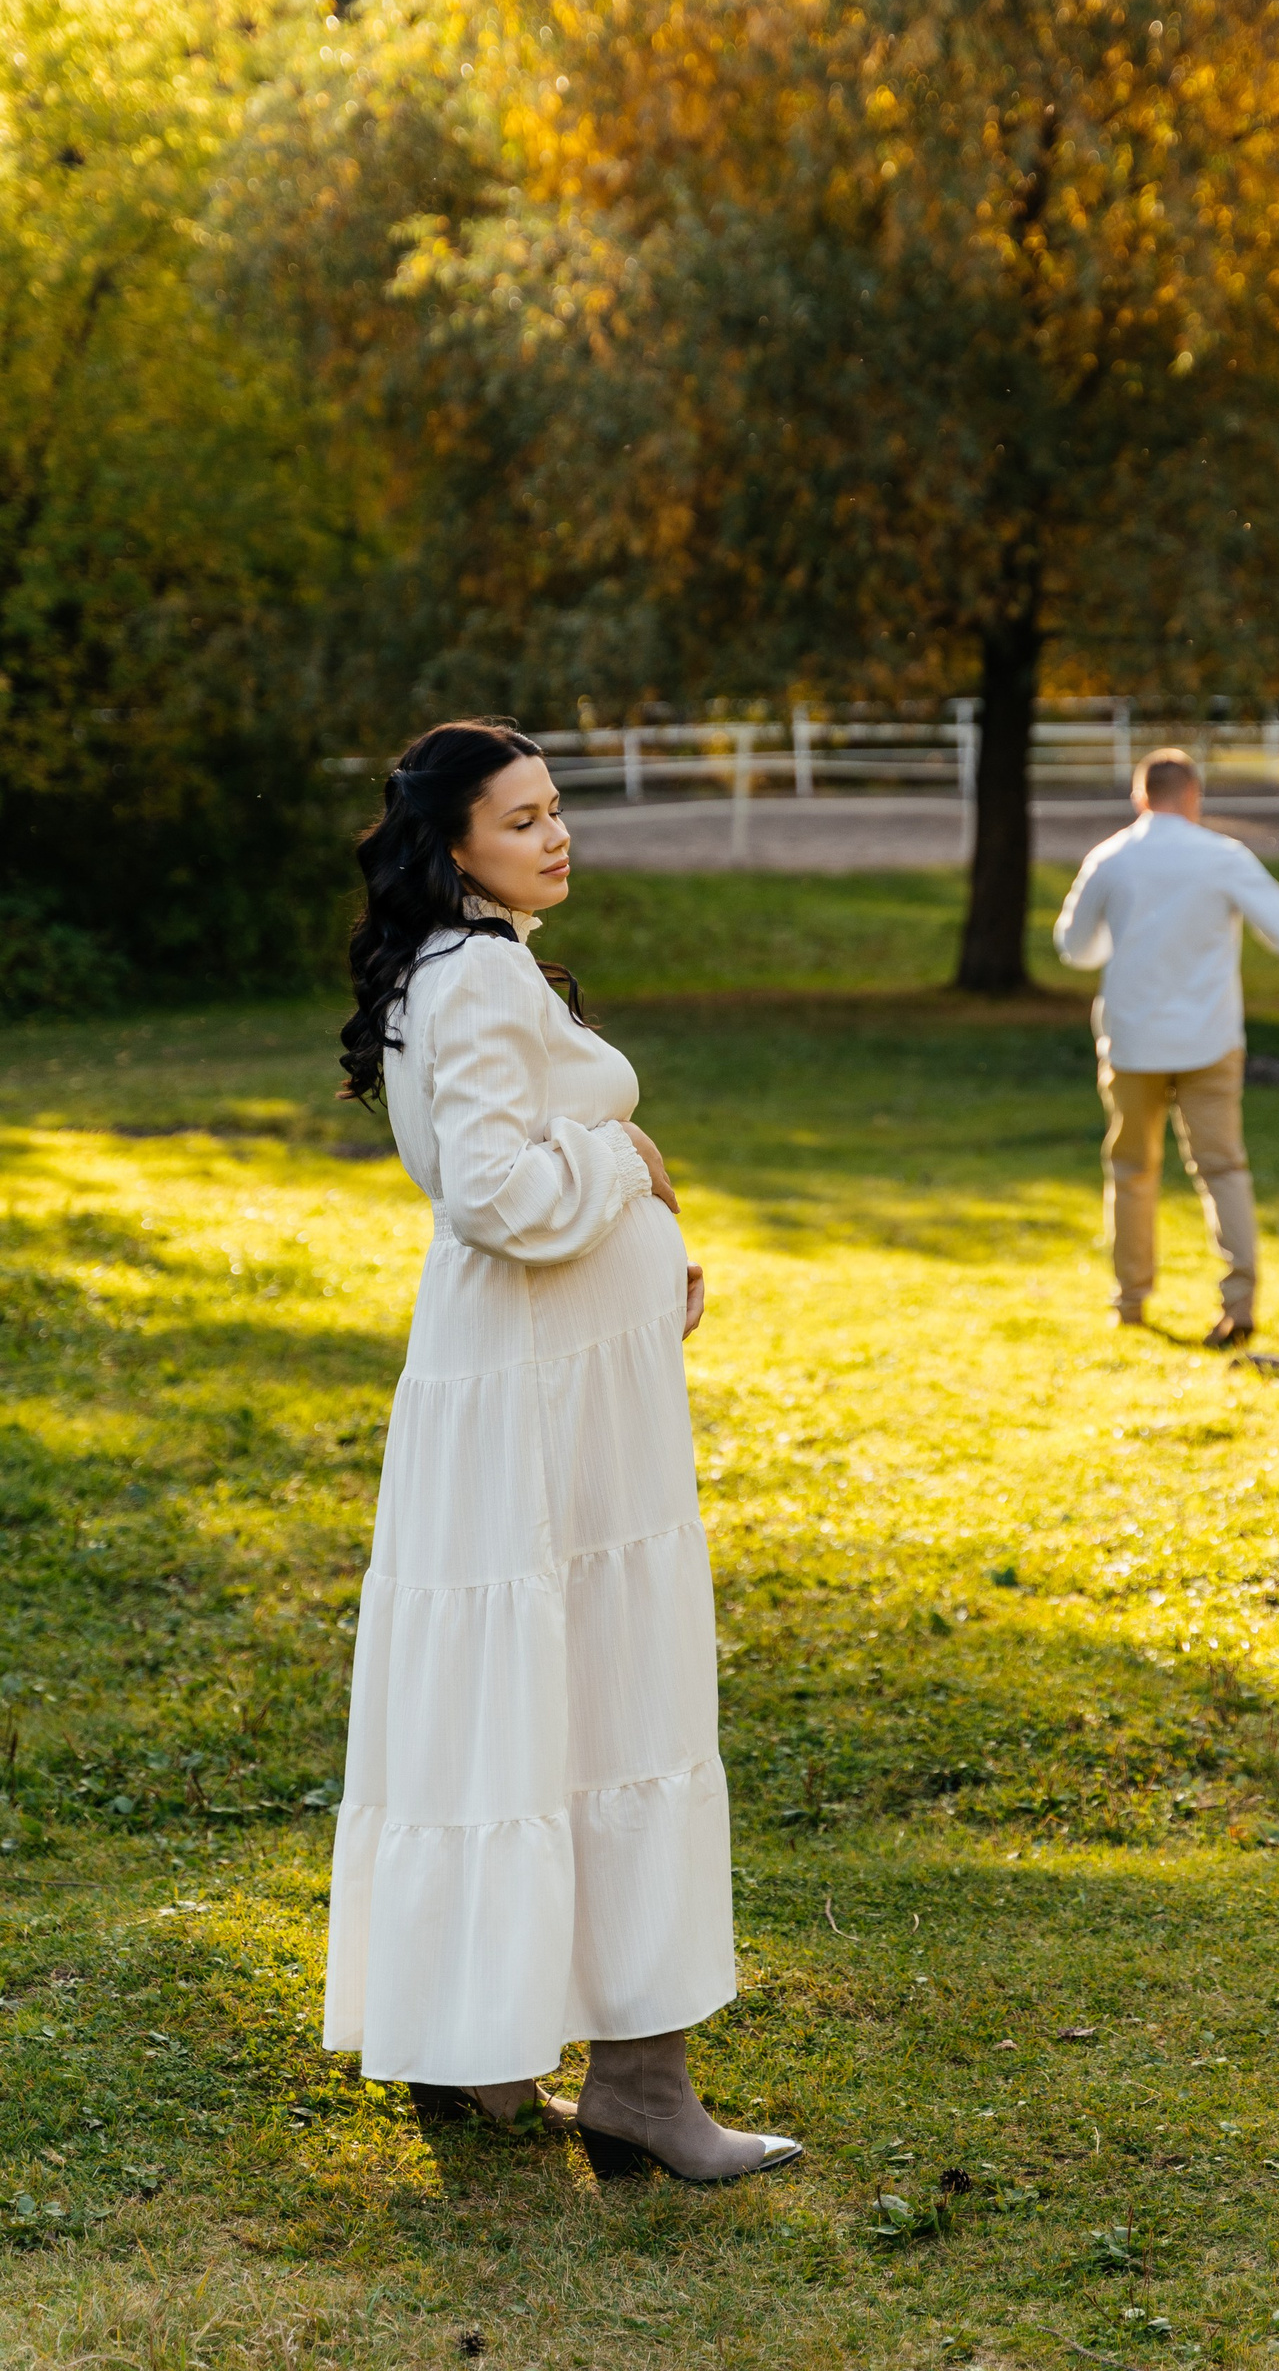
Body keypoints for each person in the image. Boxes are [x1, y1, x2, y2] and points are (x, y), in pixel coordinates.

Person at [322, 719, 799, 2185]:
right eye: (521, 817)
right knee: (608, 1698)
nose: (555, 834)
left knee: (524, 1703)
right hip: (543, 1406)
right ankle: (640, 2089)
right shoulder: (473, 975)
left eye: (555, 808)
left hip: (545, 1374)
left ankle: (483, 2053)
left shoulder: (472, 962)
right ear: (453, 843)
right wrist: (625, 1164)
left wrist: (645, 1252)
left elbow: (524, 1176)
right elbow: (496, 1195)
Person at [1052, 748, 1279, 1344]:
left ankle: (1130, 1301)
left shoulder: (1110, 857)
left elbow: (1075, 948)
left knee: (1131, 1170)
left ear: (1140, 796)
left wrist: (1117, 943)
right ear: (1194, 796)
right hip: (1210, 1040)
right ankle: (1240, 1301)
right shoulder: (1222, 856)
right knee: (1223, 1169)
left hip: (1132, 1041)